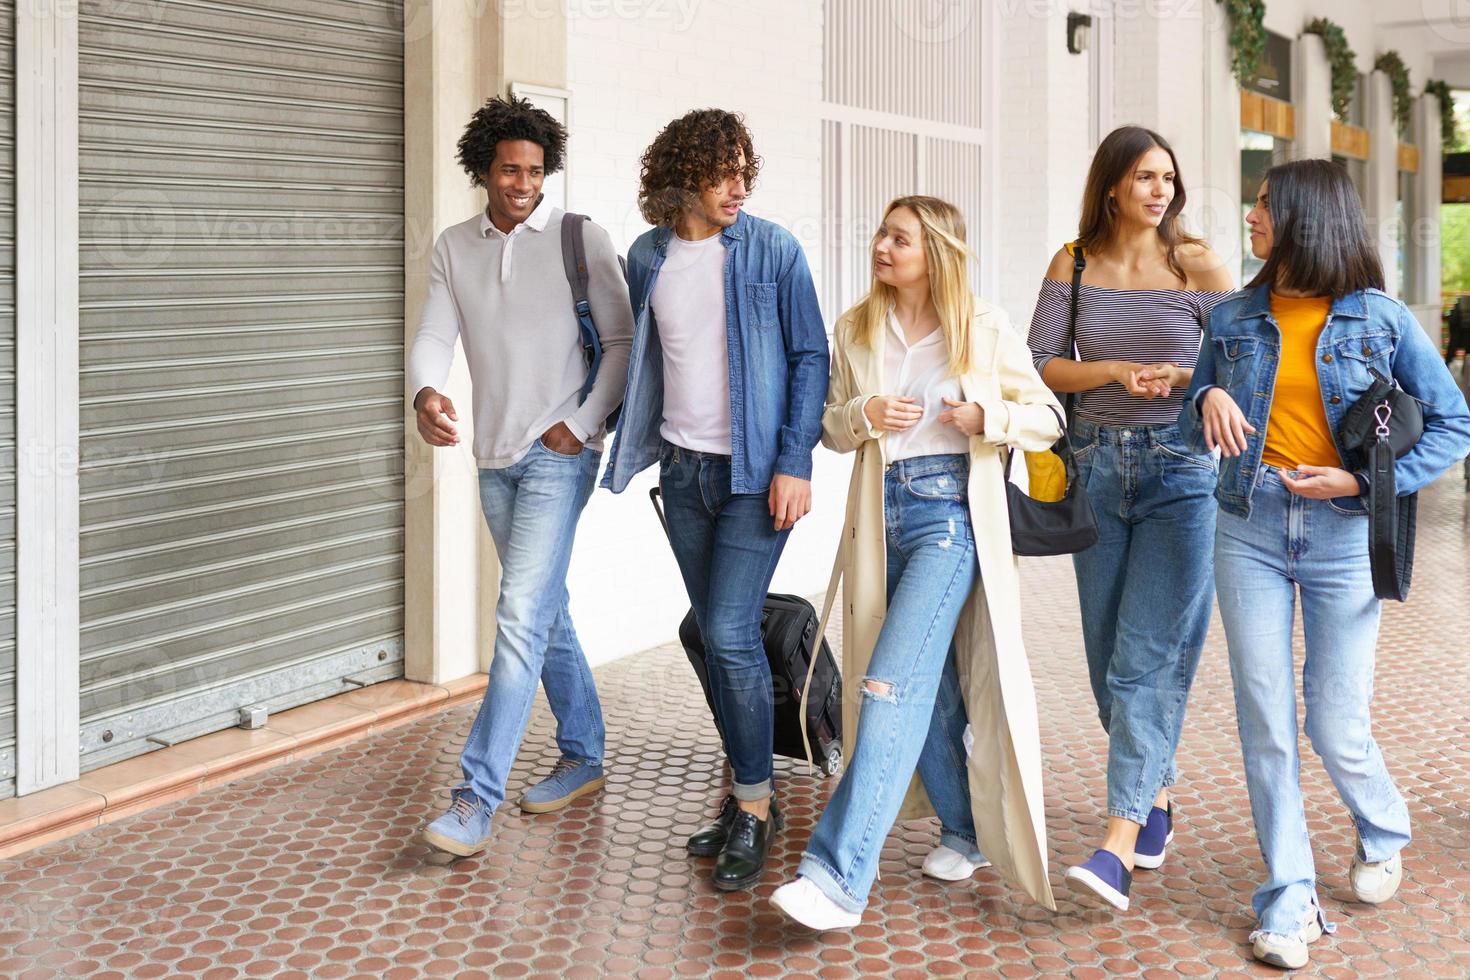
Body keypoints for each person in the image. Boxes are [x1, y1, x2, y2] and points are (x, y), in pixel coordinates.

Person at [1180, 158, 1470, 970]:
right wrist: (1205, 399)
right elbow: (1183, 421)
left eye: (1267, 205)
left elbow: (1454, 423)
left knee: (1334, 723)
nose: (1252, 215)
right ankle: (1289, 898)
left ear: (1308, 217)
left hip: (1345, 535)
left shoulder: (1379, 319)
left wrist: (1364, 479)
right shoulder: (1233, 316)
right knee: (1266, 719)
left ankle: (1383, 826)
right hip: (1250, 526)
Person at [770, 196, 1060, 929]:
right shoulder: (857, 327)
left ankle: (836, 880)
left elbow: (1050, 419)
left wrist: (986, 417)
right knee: (926, 694)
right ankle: (964, 828)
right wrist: (865, 414)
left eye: (899, 238)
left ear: (934, 252)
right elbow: (832, 429)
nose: (882, 246)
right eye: (881, 234)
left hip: (951, 520)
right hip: (883, 517)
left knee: (888, 685)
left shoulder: (983, 327)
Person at [600, 109, 829, 891]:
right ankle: (745, 792)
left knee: (729, 631)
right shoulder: (647, 255)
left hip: (754, 475)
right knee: (712, 631)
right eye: (721, 171)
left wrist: (794, 461)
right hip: (686, 474)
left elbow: (810, 355)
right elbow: (637, 358)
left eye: (744, 170)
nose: (738, 186)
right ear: (682, 176)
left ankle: (757, 809)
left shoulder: (772, 249)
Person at [408, 96, 634, 856]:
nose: (524, 183)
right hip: (494, 454)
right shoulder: (453, 245)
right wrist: (425, 393)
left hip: (557, 452)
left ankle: (475, 797)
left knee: (516, 617)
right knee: (544, 610)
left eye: (536, 170)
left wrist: (582, 423)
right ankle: (585, 752)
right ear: (484, 169)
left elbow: (621, 340)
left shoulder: (579, 238)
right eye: (511, 169)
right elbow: (435, 333)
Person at [1026, 125, 1233, 911]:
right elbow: (1043, 360)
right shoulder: (1073, 263)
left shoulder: (1200, 264)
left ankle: (1116, 841)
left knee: (1141, 658)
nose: (1159, 192)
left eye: (1168, 179)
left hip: (1181, 473)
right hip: (1096, 470)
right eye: (1145, 177)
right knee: (1105, 657)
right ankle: (1158, 795)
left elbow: (1244, 361)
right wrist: (1114, 371)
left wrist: (1187, 378)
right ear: (1112, 185)